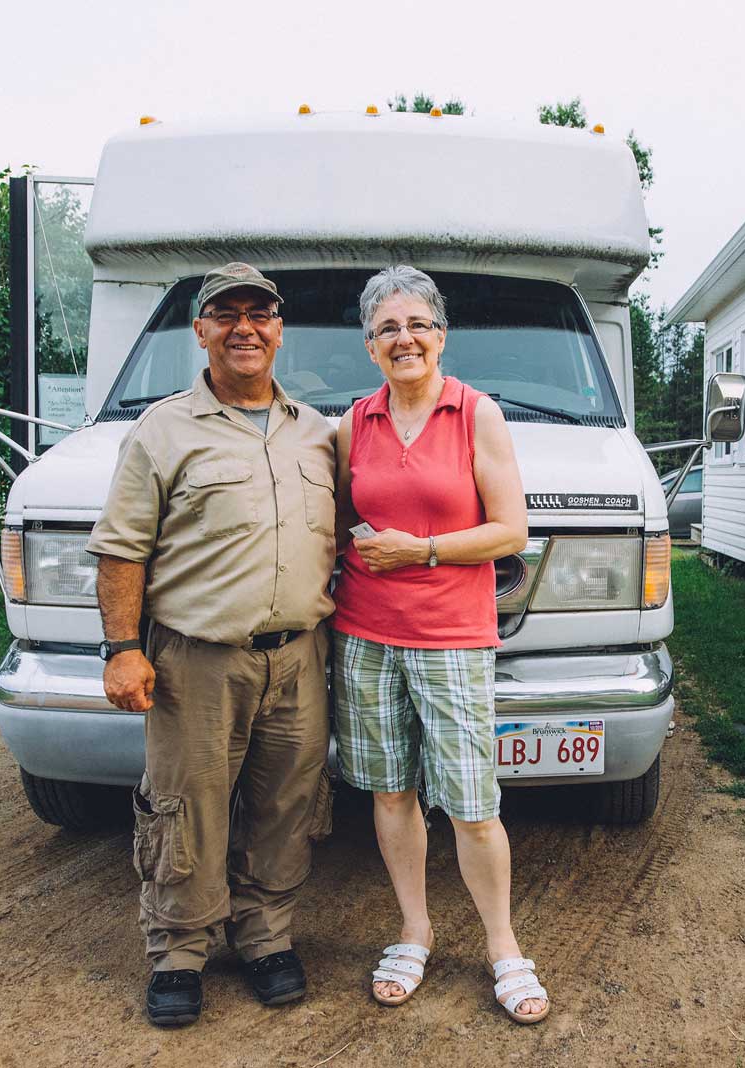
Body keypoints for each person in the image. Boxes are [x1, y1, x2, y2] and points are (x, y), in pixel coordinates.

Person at [87, 262, 337, 1028]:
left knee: (284, 806)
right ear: (200, 331)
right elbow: (122, 548)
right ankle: (179, 952)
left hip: (299, 659)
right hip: (195, 658)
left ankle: (265, 939)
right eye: (225, 315)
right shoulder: (161, 429)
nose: (244, 328)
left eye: (258, 314)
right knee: (186, 809)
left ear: (279, 328)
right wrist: (121, 649)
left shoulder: (320, 432)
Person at [331, 265, 549, 1024]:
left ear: (441, 334)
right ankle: (414, 930)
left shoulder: (475, 413)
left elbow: (511, 530)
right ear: (369, 345)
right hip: (364, 635)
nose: (405, 339)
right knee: (391, 792)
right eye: (388, 328)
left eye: (418, 324)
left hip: (451, 637)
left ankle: (503, 947)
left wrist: (421, 551)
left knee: (471, 803)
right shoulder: (353, 423)